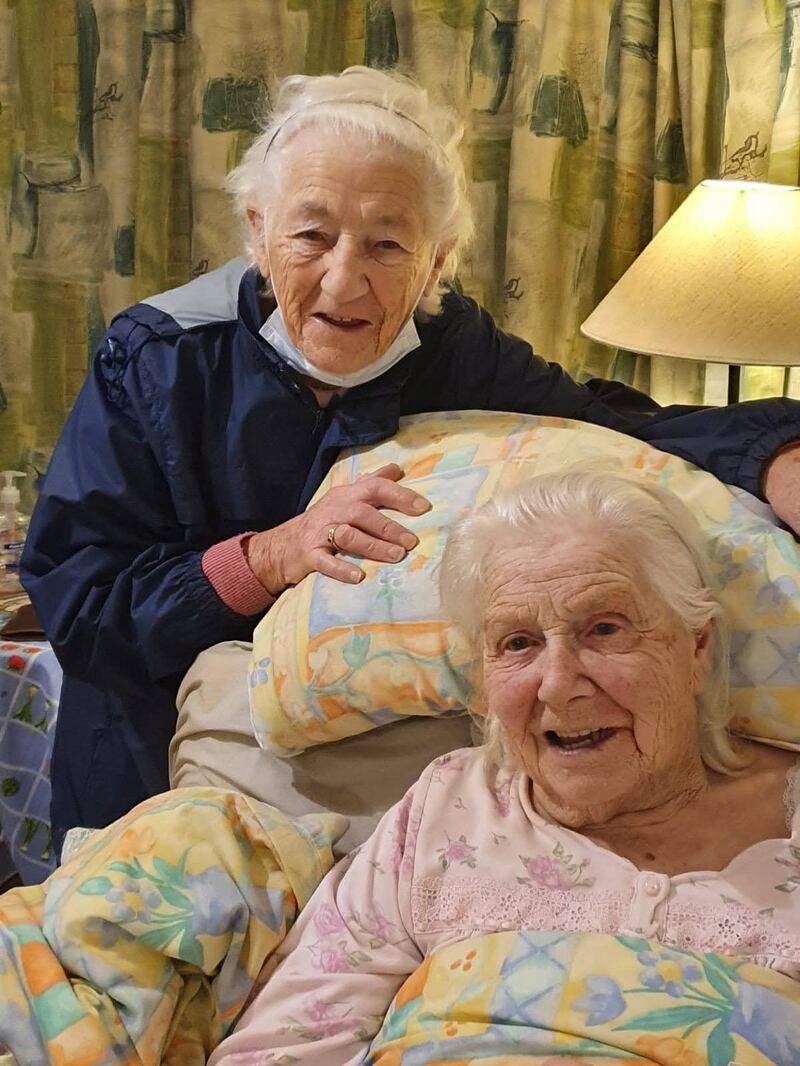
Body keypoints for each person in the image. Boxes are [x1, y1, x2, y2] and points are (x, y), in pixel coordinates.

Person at [20, 65, 800, 850]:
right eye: (311, 235)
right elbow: (81, 603)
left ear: (436, 260)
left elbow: (611, 424)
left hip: (358, 791)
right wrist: (271, 556)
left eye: (387, 243)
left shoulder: (452, 347)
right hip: (150, 756)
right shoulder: (158, 358)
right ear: (258, 231)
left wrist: (773, 455)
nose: (343, 279)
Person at [209, 470, 800, 1065]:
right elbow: (286, 1046)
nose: (558, 684)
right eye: (518, 643)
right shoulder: (447, 810)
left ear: (696, 647)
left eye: (604, 629)